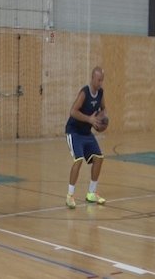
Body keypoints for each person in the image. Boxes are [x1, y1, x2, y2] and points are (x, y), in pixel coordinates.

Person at [64, 67, 108, 209]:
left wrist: (102, 118)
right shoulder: (84, 93)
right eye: (99, 80)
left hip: (86, 132)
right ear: (93, 78)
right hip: (74, 132)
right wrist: (89, 119)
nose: (100, 83)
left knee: (99, 158)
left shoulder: (100, 93)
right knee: (79, 160)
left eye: (102, 80)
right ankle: (70, 196)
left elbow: (104, 109)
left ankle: (91, 193)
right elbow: (73, 111)